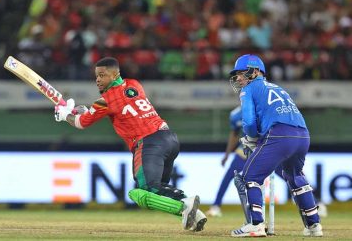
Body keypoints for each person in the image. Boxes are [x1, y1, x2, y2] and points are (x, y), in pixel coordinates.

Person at [54, 57, 207, 232]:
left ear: (115, 74)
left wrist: (64, 115)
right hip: (169, 139)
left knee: (141, 192)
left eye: (102, 75)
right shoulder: (134, 84)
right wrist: (81, 111)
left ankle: (184, 203)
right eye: (96, 76)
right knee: (159, 192)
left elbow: (81, 123)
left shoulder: (106, 100)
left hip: (148, 143)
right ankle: (195, 215)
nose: (97, 79)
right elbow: (118, 107)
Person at [228, 54, 323, 237]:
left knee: (249, 177)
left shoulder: (248, 90)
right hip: (302, 135)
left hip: (279, 134)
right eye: (237, 74)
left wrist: (252, 137)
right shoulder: (279, 88)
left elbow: (247, 121)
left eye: (241, 73)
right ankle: (314, 225)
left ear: (255, 71)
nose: (238, 78)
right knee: (296, 178)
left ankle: (255, 224)